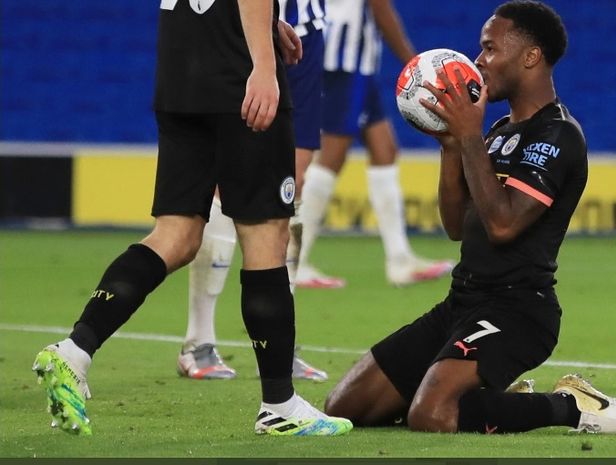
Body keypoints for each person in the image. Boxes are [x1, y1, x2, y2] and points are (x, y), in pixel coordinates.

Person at [324, 0, 616, 435]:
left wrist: (470, 136)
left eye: (490, 48)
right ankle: (487, 402)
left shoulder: (559, 135)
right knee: (344, 406)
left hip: (518, 311)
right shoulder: (496, 133)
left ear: (531, 57)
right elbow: (457, 226)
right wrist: (451, 148)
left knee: (432, 415)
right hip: (462, 303)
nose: (478, 60)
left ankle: (569, 405)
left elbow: (503, 224)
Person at [31, 0, 352, 437]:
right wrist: (262, 64)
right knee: (265, 236)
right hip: (236, 75)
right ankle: (279, 404)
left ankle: (74, 351)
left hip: (181, 71)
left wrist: (266, 23)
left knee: (176, 234)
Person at [176, 0, 330, 382]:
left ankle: (283, 344)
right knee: (223, 179)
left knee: (291, 189)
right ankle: (198, 340)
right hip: (239, 34)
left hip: (306, 31)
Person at [294, 0, 454, 289]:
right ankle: (295, 259)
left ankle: (399, 259)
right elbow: (380, 7)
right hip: (344, 58)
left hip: (354, 58)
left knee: (384, 150)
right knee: (333, 153)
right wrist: (414, 65)